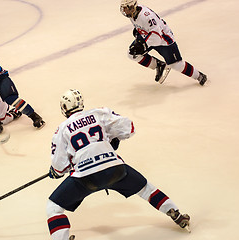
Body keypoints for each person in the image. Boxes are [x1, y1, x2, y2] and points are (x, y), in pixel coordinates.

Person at [46, 89, 191, 240]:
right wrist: (113, 138)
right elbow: (128, 128)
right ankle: (176, 214)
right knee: (146, 189)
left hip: (86, 176)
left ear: (63, 108)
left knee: (53, 208)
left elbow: (59, 166)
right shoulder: (99, 113)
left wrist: (55, 172)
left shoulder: (61, 129)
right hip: (115, 168)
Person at [120, 0, 207, 86]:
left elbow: (157, 37)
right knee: (132, 54)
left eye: (125, 8)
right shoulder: (132, 14)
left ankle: (199, 75)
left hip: (163, 40)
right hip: (148, 36)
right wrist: (138, 33)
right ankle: (159, 65)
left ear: (132, 7)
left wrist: (143, 45)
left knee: (176, 65)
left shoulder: (146, 16)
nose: (123, 10)